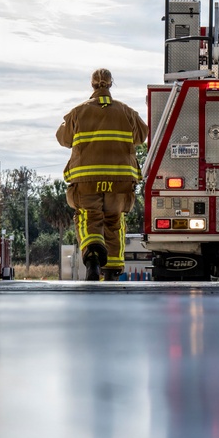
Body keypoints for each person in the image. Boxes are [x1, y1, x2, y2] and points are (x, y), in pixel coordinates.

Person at [56, 68, 149, 281]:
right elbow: (142, 135)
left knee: (89, 217)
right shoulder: (127, 112)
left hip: (86, 181)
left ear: (92, 85)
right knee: (114, 221)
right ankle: (112, 271)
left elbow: (63, 139)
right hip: (120, 182)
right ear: (110, 84)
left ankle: (93, 258)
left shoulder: (78, 112)